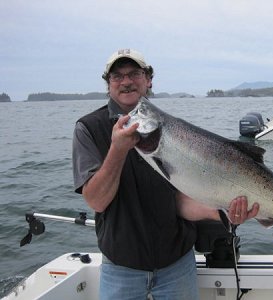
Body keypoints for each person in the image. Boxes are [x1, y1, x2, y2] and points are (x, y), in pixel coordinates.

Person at [72, 49, 260, 300]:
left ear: (148, 79)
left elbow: (179, 200)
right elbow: (96, 201)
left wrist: (223, 212)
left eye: (135, 73)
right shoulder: (88, 128)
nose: (126, 81)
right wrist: (117, 149)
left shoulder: (172, 131)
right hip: (121, 270)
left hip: (177, 266)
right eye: (117, 76)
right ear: (108, 84)